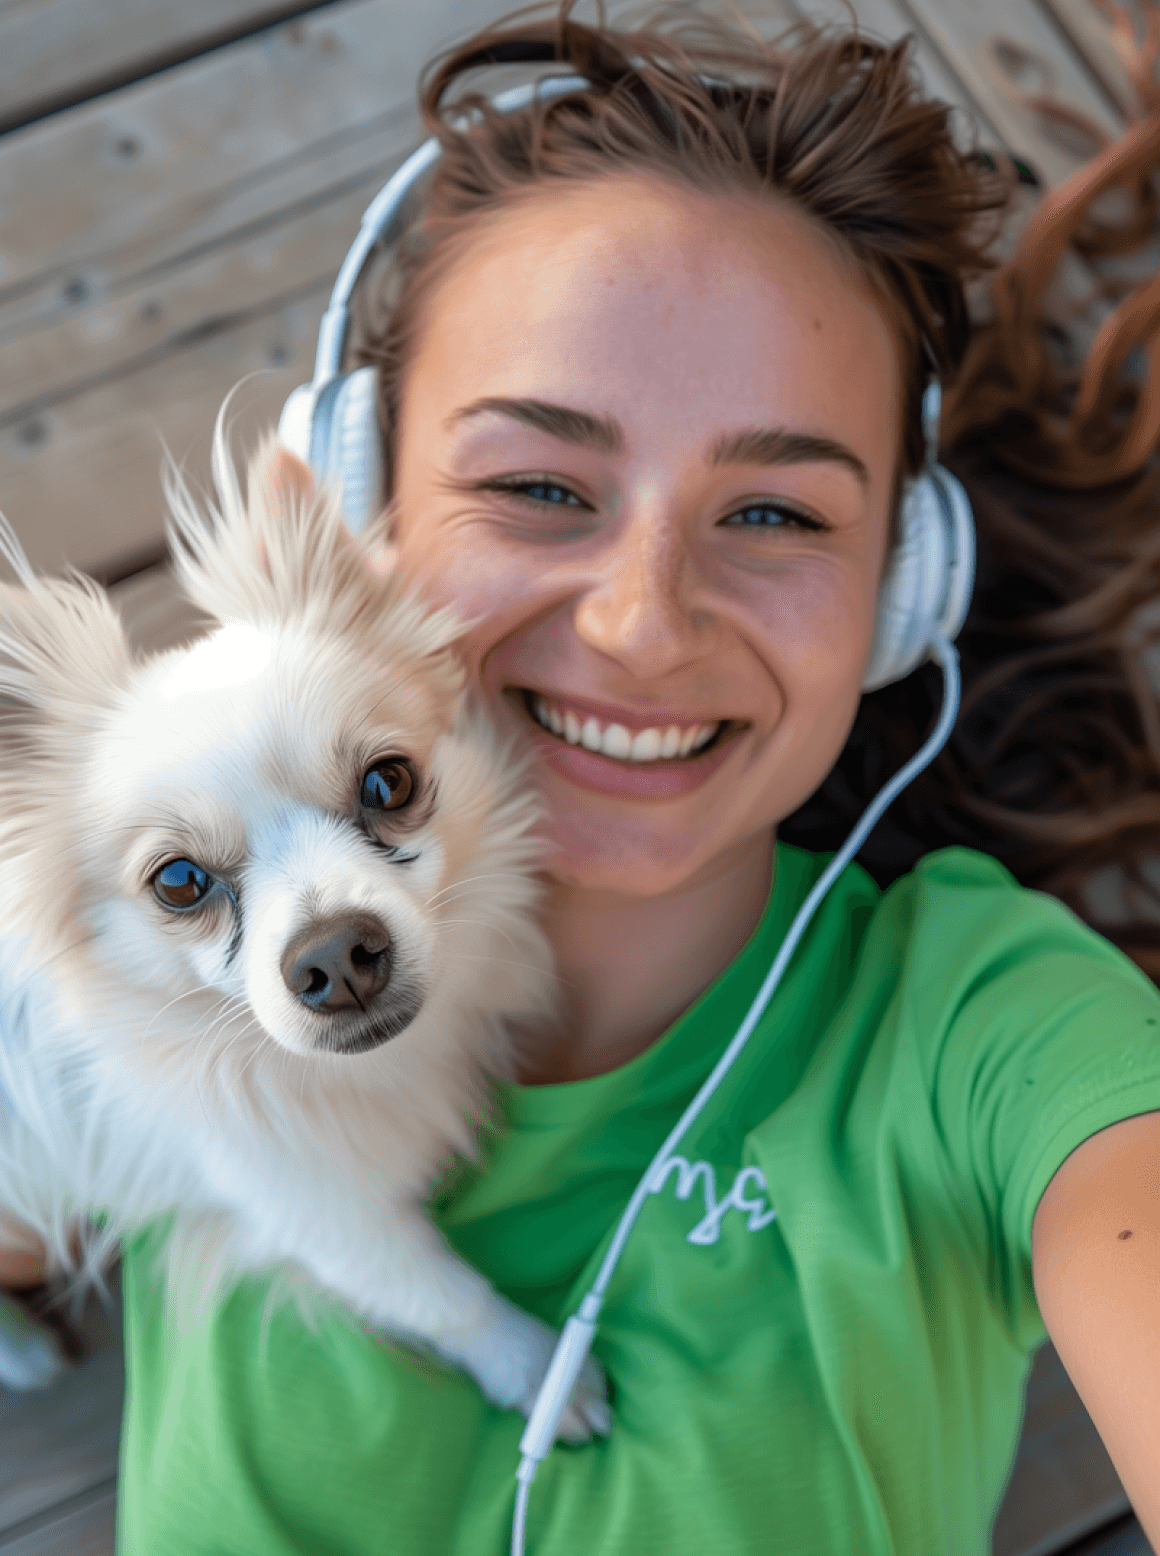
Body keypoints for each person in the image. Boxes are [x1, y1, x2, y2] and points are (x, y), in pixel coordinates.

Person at [12, 4, 1160, 1552]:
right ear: (369, 519)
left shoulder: (994, 1031)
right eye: (541, 485)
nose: (640, 625)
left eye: (775, 516)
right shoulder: (176, 1021)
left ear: (904, 588)